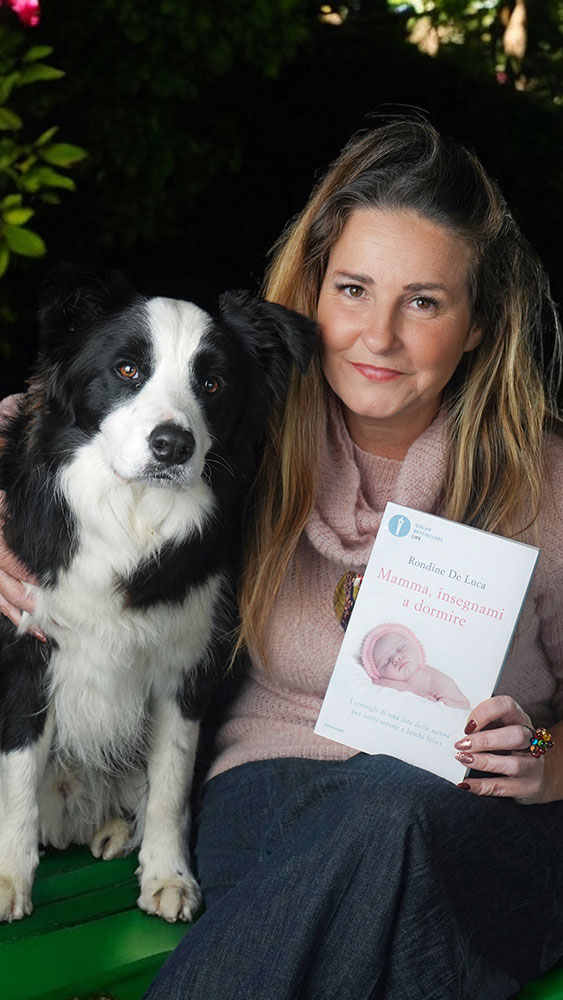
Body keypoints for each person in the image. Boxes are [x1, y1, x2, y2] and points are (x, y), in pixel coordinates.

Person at [1, 118, 563, 999]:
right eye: (353, 290)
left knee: (392, 808)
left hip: (475, 816)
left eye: (423, 302)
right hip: (270, 795)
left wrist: (545, 753)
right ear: (313, 292)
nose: (378, 335)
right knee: (373, 876)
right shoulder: (245, 428)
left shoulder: (542, 481)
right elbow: (56, 417)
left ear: (478, 327)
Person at [360, 622, 471, 709]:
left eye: (401, 648)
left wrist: (450, 703)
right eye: (386, 662)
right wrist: (420, 696)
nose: (396, 658)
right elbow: (380, 683)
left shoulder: (439, 680)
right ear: (377, 673)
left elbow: (466, 706)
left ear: (416, 646)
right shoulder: (387, 682)